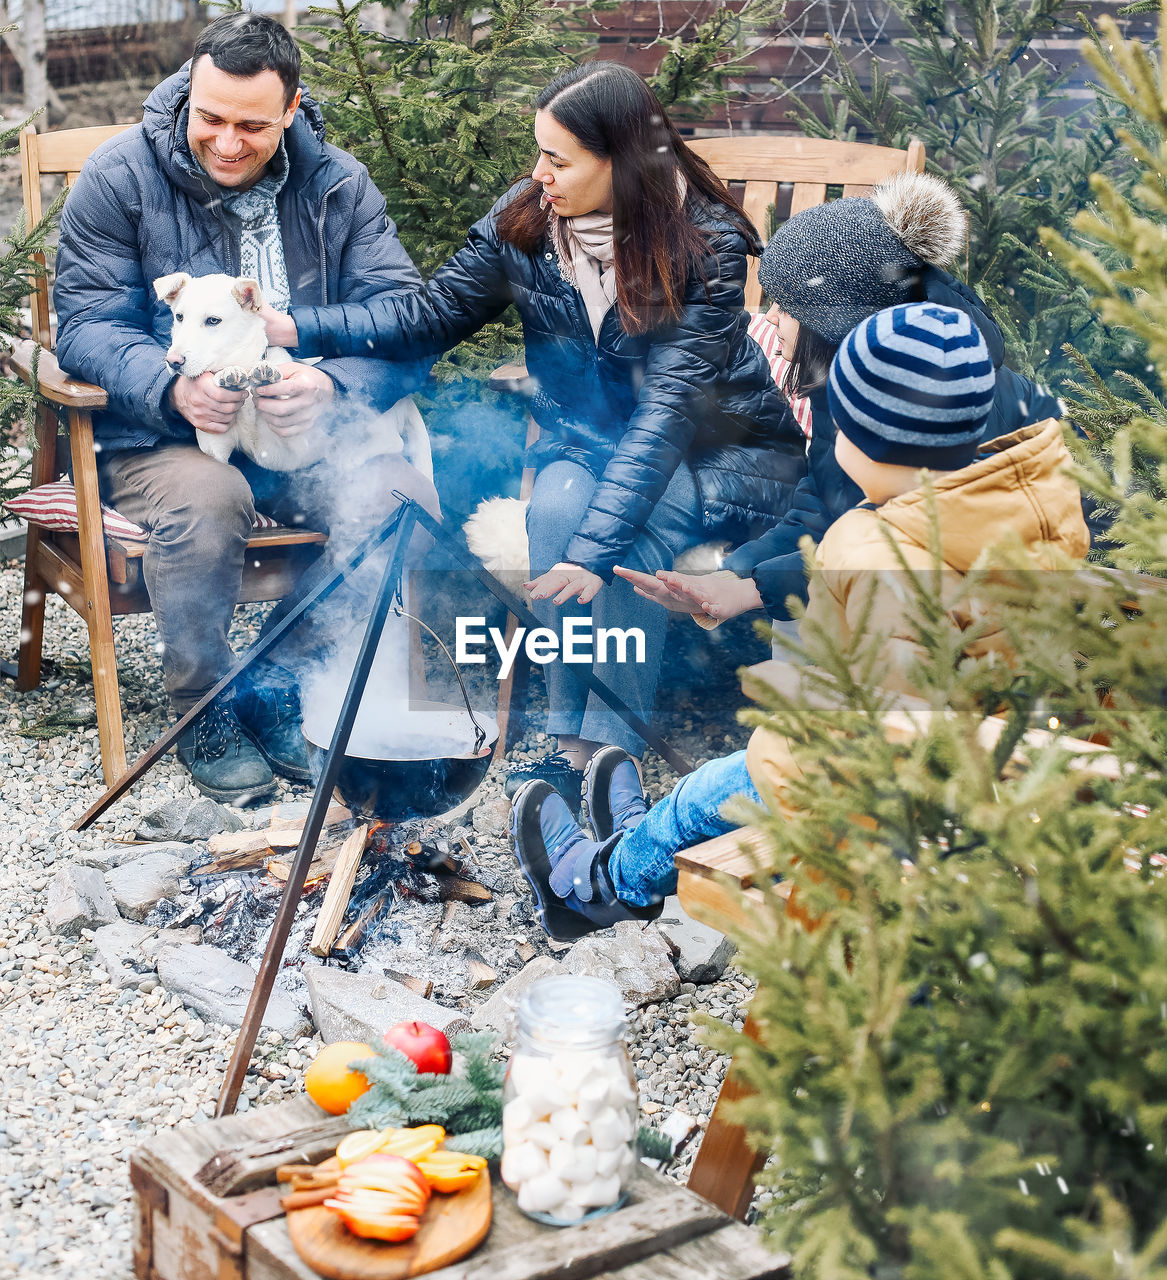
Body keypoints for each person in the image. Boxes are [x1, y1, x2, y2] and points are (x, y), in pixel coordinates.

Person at [262, 60, 807, 811]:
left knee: (614, 541)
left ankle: (607, 756)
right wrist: (293, 327)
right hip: (588, 442)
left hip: (715, 454)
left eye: (557, 158)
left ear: (620, 163)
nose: (537, 173)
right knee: (555, 510)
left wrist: (592, 553)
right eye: (538, 153)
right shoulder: (527, 220)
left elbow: (666, 415)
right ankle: (574, 747)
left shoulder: (703, 248)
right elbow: (428, 316)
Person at [509, 303, 1091, 938]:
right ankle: (628, 842)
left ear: (873, 442)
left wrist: (786, 707)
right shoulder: (1016, 493)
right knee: (720, 784)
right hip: (991, 760)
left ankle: (596, 883)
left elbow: (877, 731)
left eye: (842, 428)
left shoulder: (873, 549)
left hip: (874, 802)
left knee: (701, 798)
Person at [53, 12, 438, 803]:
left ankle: (274, 682)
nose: (227, 142)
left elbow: (407, 318)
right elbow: (85, 324)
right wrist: (171, 388)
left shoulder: (337, 184)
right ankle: (202, 709)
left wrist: (333, 386)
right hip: (169, 436)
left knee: (400, 498)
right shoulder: (119, 176)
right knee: (209, 496)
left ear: (292, 111)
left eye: (253, 126)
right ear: (189, 94)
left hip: (302, 436)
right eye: (211, 118)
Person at [615, 171, 1069, 629]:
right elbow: (825, 505)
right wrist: (733, 575)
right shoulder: (851, 379)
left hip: (989, 603)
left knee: (810, 618)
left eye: (787, 308)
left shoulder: (937, 400)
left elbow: (890, 546)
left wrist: (755, 589)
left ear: (836, 322)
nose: (770, 320)